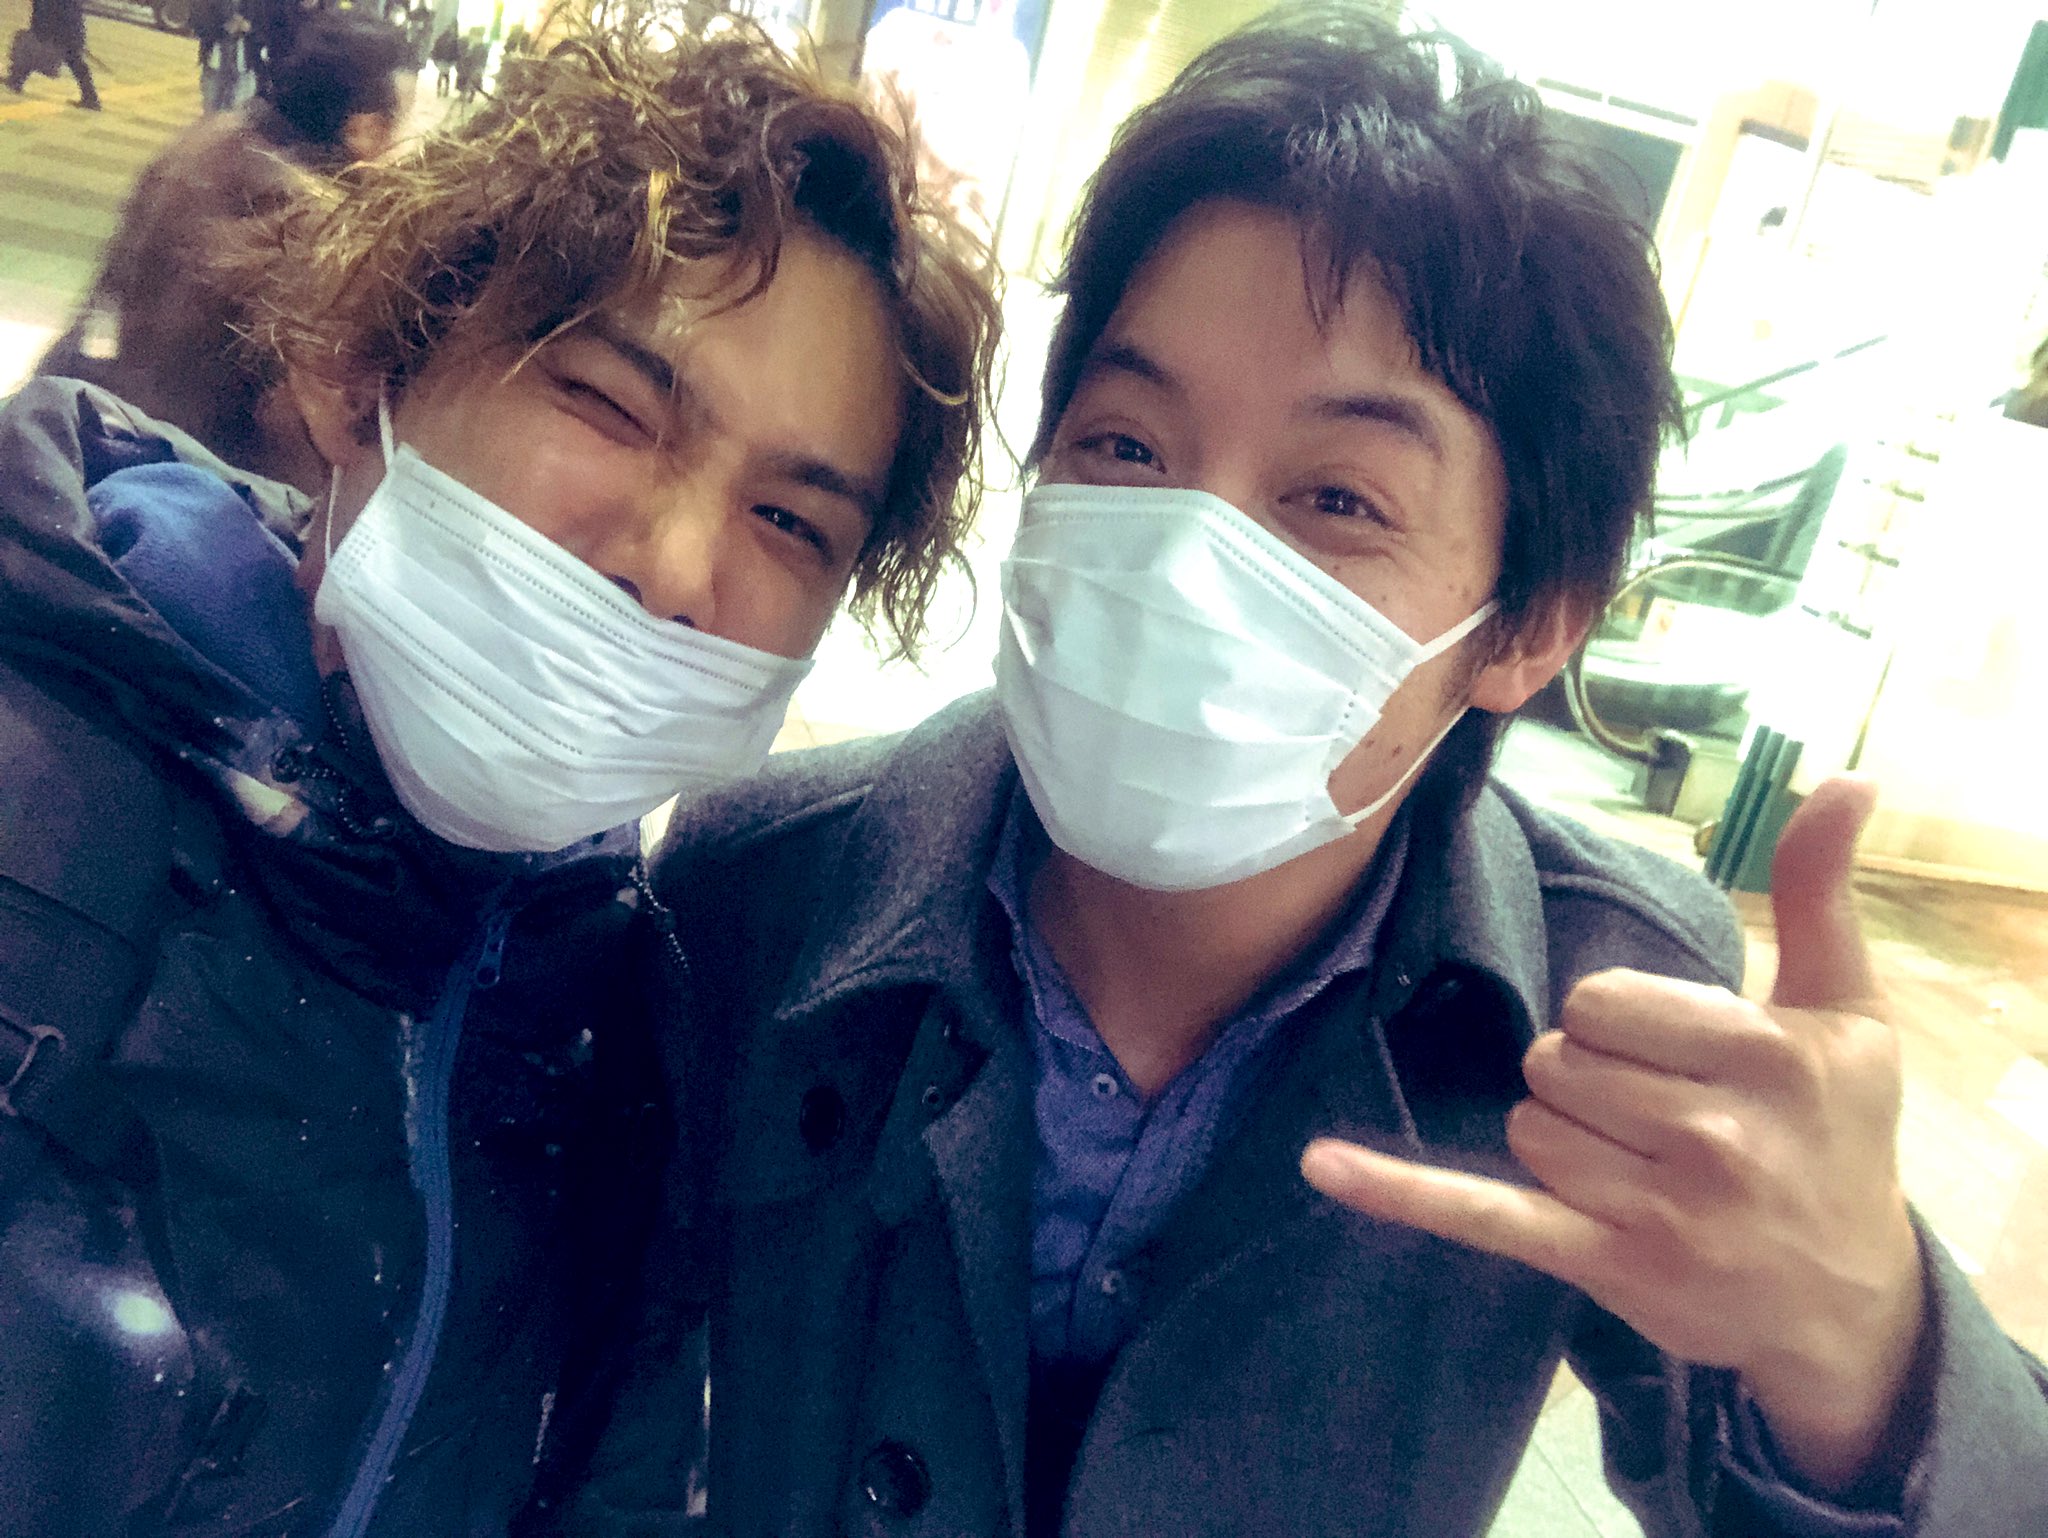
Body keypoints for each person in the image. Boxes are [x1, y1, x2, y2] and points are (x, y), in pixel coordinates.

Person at [555, 8, 2048, 1536]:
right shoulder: (759, 888)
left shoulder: (1596, 1009)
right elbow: (609, 1407)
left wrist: (1866, 1352)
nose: (1189, 555)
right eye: (1128, 445)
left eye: (1338, 496)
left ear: (1527, 627)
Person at [0, 22, 994, 1538]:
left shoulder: (614, 1017)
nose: (678, 569)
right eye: (611, 406)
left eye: (792, 523)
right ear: (359, 373)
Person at [35, 12, 415, 495]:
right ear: (364, 130)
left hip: (105, 436)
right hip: (197, 491)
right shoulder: (315, 231)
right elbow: (304, 435)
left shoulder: (207, 140)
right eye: (401, 127)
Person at [2, 0, 98, 111]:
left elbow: (50, 14)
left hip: (59, 31)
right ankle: (90, 97)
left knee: (27, 46)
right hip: (66, 30)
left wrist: (45, 33)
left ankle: (16, 79)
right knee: (73, 60)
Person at [429, 21, 458, 95]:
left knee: (442, 74)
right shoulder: (453, 39)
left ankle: (441, 89)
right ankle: (444, 90)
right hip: (446, 59)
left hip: (444, 59)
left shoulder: (443, 37)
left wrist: (435, 57)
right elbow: (455, 50)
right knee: (445, 75)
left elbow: (437, 47)